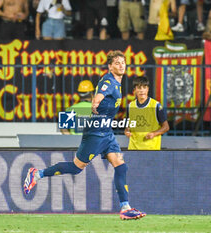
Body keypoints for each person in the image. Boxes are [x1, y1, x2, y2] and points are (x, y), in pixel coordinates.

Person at [24, 50, 147, 220]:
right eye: (117, 63)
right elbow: (99, 96)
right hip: (96, 132)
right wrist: (95, 103)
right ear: (110, 66)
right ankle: (37, 174)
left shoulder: (116, 82)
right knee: (76, 168)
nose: (121, 65)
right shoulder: (109, 81)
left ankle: (125, 208)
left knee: (121, 166)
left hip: (106, 132)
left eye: (123, 62)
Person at [125, 76, 169, 150]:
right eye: (139, 88)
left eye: (144, 87)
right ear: (134, 90)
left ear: (148, 89)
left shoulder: (156, 105)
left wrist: (154, 134)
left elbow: (166, 127)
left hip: (151, 149)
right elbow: (128, 126)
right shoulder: (130, 106)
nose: (142, 90)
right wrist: (127, 131)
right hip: (133, 149)